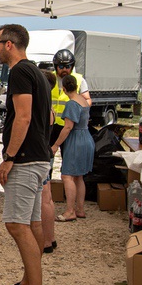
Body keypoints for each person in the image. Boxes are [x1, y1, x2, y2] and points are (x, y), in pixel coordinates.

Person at [0, 24, 53, 285]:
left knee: (16, 224)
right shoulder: (37, 73)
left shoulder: (18, 72)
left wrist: (9, 157)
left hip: (26, 160)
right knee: (31, 222)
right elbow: (47, 117)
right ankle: (28, 283)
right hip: (39, 157)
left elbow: (24, 117)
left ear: (9, 44)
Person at [51, 74, 95, 222]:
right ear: (76, 86)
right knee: (79, 176)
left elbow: (68, 127)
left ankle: (70, 211)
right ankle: (80, 209)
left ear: (63, 89)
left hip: (76, 140)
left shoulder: (71, 104)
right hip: (86, 137)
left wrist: (56, 145)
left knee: (67, 175)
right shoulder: (83, 100)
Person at [50, 48, 91, 148]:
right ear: (56, 66)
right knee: (47, 153)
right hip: (51, 125)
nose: (64, 69)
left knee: (67, 153)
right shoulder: (50, 78)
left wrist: (78, 114)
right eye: (61, 66)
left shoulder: (79, 80)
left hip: (68, 125)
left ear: (72, 66)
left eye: (68, 66)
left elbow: (87, 100)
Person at [40, 70, 58, 254]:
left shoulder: (44, 108)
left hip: (42, 156)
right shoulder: (49, 107)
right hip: (47, 155)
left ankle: (46, 240)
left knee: (44, 198)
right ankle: (50, 238)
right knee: (48, 198)